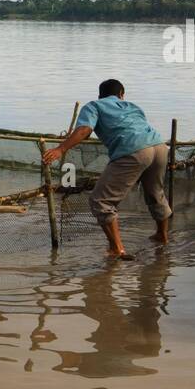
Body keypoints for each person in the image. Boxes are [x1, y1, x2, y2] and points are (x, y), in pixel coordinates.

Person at [41, 79, 171, 259]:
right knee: (156, 192)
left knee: (100, 201)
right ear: (121, 94)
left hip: (135, 149)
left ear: (100, 95)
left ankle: (116, 248)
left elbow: (85, 129)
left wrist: (60, 149)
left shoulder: (94, 105)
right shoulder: (131, 106)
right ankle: (162, 236)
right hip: (159, 146)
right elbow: (137, 127)